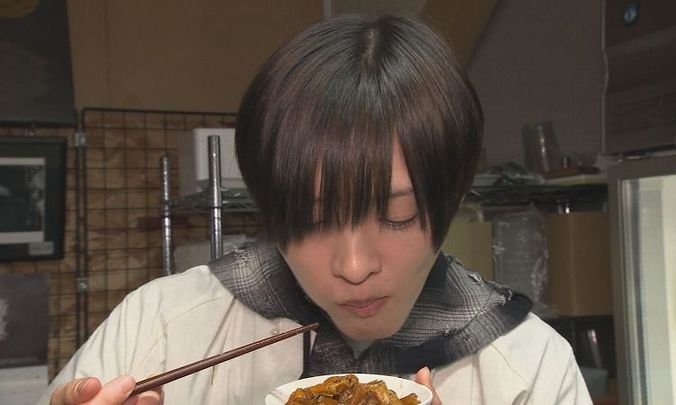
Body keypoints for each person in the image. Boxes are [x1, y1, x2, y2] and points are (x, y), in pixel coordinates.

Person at [41, 14, 591, 405]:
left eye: (397, 214)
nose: (354, 267)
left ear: (449, 200)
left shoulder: (528, 368)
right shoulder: (161, 328)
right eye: (309, 218)